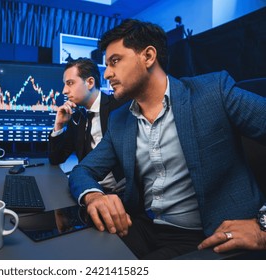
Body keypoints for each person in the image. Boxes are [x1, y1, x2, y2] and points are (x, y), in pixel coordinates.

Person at [69, 19, 266, 259]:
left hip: (208, 237)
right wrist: (94, 196)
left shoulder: (214, 92)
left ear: (148, 56)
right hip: (144, 227)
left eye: (115, 61)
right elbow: (82, 171)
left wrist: (263, 224)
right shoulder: (121, 120)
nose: (107, 73)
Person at [49, 57, 127, 193]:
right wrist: (59, 125)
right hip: (88, 187)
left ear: (90, 82)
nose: (64, 91)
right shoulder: (77, 117)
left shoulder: (119, 107)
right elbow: (56, 158)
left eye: (70, 83)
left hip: (121, 192)